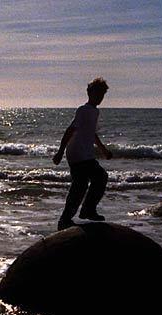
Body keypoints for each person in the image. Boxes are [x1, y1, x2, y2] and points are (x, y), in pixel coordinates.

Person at [53, 77, 113, 230]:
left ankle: (66, 219)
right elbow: (70, 130)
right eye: (97, 93)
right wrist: (60, 152)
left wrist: (103, 150)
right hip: (77, 154)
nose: (99, 97)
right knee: (98, 177)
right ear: (89, 93)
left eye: (102, 95)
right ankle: (87, 210)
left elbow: (92, 134)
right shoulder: (83, 110)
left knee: (80, 186)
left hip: (85, 153)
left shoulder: (94, 111)